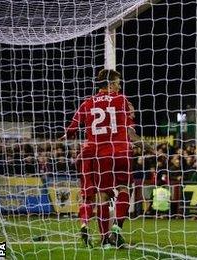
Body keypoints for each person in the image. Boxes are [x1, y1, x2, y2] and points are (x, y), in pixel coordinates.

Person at [61, 69, 145, 248]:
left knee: (99, 195)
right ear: (111, 84)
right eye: (118, 82)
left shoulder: (87, 103)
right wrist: (148, 147)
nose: (119, 86)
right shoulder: (122, 100)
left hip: (95, 154)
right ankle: (116, 230)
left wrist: (66, 136)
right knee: (124, 188)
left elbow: (72, 128)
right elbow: (130, 131)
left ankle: (104, 238)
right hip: (120, 152)